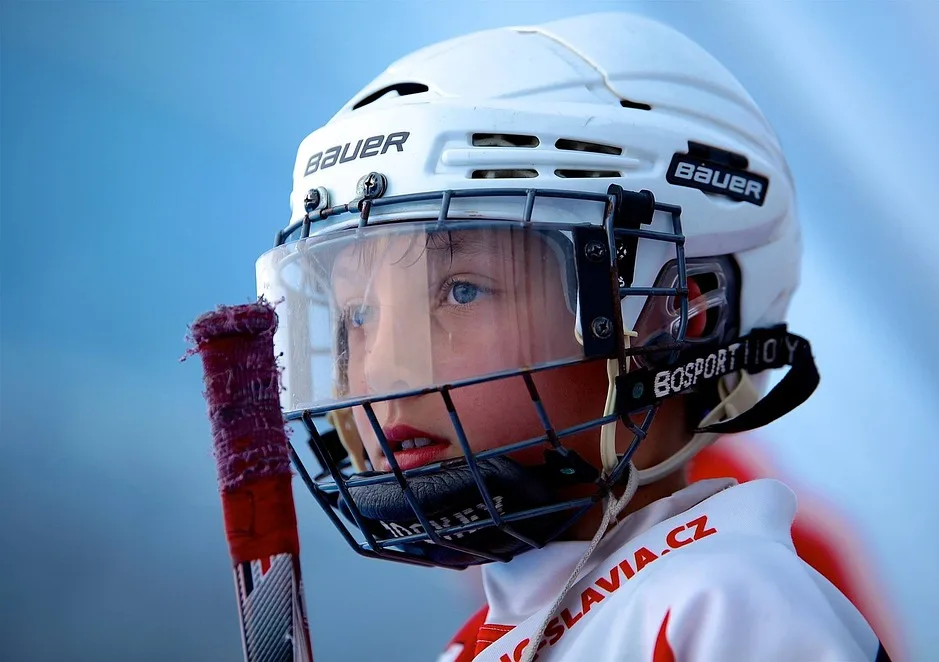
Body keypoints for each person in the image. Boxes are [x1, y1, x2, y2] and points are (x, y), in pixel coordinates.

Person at [255, 12, 891, 662]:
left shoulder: (725, 602)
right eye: (357, 315)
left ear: (678, 316)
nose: (380, 371)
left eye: (464, 290)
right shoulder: (487, 645)